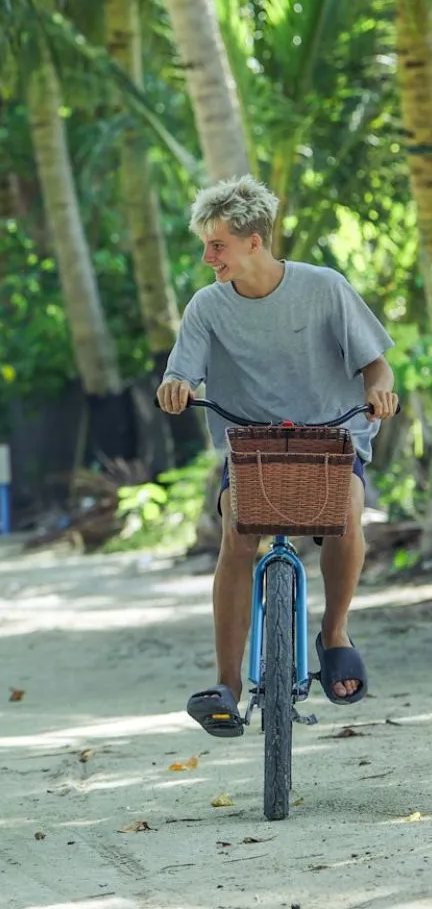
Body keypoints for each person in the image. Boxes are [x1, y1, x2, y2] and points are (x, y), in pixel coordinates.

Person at [157, 176, 397, 735]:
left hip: (332, 439)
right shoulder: (206, 307)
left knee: (345, 517)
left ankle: (335, 633)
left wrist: (379, 390)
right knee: (237, 538)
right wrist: (175, 385)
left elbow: (376, 363)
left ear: (254, 242)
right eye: (205, 245)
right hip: (252, 447)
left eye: (217, 245)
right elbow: (181, 370)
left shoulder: (324, 288)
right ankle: (228, 683)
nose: (207, 257)